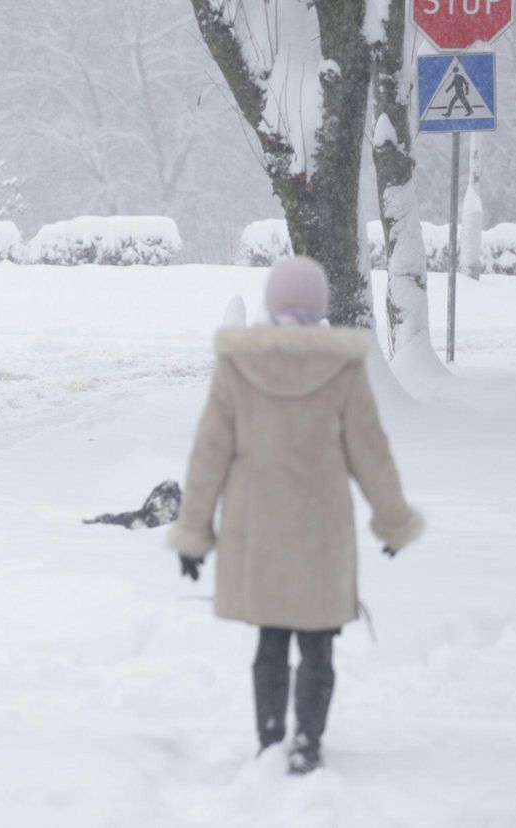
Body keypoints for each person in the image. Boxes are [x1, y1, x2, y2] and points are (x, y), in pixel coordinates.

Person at [166, 256, 423, 775]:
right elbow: (370, 452)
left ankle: (268, 740)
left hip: (256, 533)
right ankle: (306, 743)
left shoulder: (238, 365)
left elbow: (209, 453)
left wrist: (194, 532)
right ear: (319, 308)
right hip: (320, 535)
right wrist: (393, 520)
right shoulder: (342, 369)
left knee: (271, 639)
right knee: (318, 642)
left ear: (272, 304)